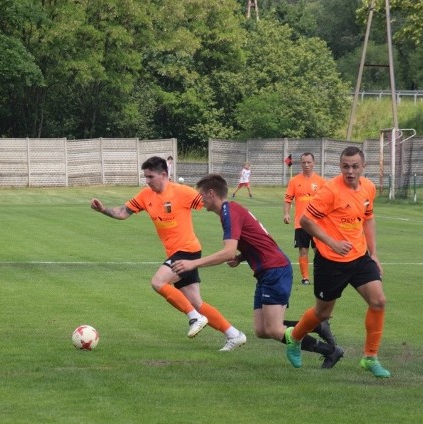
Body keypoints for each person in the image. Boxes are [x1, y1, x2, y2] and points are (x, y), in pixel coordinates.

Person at [172, 174, 343, 368]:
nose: (200, 200)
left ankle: (330, 351)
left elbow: (228, 251)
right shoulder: (229, 212)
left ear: (212, 193)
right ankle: (316, 325)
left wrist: (193, 264)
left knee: (274, 329)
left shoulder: (230, 212)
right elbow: (258, 239)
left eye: (201, 195)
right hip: (266, 271)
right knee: (262, 330)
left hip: (275, 270)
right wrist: (241, 256)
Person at [90, 156, 247, 351]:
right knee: (196, 302)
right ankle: (234, 334)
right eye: (145, 177)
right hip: (177, 252)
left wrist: (235, 230)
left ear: (164, 174)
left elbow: (214, 204)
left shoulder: (183, 192)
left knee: (158, 282)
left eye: (150, 177)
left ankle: (194, 317)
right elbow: (123, 212)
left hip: (187, 250)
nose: (147, 181)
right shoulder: (145, 196)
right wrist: (103, 209)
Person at [284, 146, 391, 378]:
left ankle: (370, 357)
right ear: (340, 167)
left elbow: (368, 219)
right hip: (330, 260)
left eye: (354, 166)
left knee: (379, 301)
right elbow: (305, 221)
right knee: (322, 313)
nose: (350, 171)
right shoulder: (330, 190)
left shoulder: (369, 188)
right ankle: (294, 338)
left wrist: (374, 254)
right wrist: (332, 243)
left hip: (359, 256)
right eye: (345, 166)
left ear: (364, 167)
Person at [283, 152, 326, 285]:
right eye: (304, 162)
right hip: (301, 223)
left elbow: (326, 202)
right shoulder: (294, 181)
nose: (306, 165)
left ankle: (320, 276)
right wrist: (286, 213)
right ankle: (305, 278)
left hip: (317, 223)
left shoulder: (321, 182)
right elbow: (288, 199)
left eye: (309, 162)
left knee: (319, 251)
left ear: (314, 163)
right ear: (300, 164)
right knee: (303, 250)